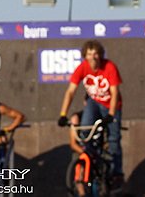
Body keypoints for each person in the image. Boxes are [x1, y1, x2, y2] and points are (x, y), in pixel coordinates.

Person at [58, 40, 124, 185]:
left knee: (114, 138)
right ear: (85, 56)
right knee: (85, 130)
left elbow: (114, 92)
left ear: (100, 55)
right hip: (94, 102)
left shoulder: (109, 67)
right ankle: (92, 159)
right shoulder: (82, 67)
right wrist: (63, 114)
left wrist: (111, 114)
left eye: (95, 54)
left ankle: (117, 172)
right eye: (89, 54)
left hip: (111, 105)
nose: (93, 57)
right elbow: (70, 91)